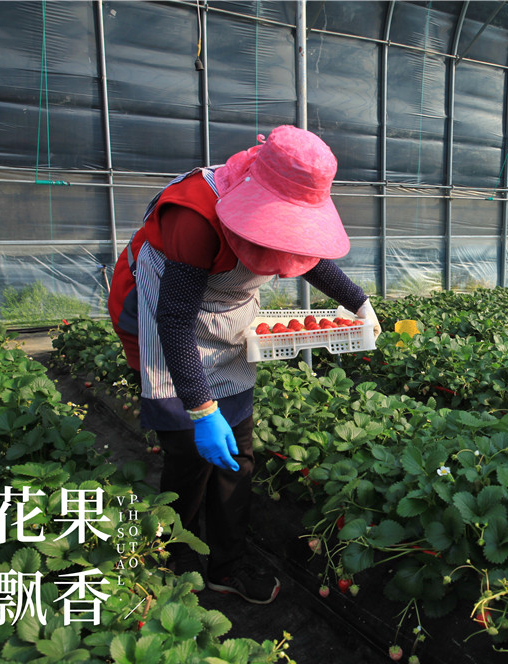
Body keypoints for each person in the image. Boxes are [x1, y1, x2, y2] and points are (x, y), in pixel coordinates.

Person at [107, 125, 381, 604]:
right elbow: (173, 321)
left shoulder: (282, 218)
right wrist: (199, 410)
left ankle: (227, 565)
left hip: (225, 320)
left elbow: (306, 256)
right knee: (189, 455)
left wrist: (357, 301)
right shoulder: (194, 213)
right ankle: (174, 558)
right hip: (160, 317)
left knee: (238, 456)